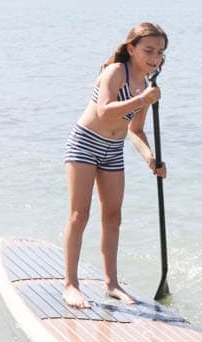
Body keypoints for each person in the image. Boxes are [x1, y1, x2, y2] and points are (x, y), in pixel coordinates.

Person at [62, 22, 168, 309]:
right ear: (131, 48)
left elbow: (135, 130)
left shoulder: (146, 86)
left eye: (159, 53)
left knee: (113, 217)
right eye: (148, 50)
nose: (154, 58)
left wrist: (150, 157)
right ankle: (71, 285)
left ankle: (112, 284)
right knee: (79, 215)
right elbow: (104, 112)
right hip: (85, 143)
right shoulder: (115, 72)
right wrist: (141, 99)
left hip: (113, 150)